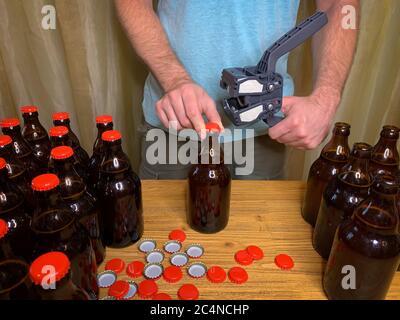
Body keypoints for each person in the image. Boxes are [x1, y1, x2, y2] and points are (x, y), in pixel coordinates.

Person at [115, 0, 359, 180]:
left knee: (259, 239)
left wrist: (326, 97)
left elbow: (342, 6)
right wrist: (175, 80)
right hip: (175, 126)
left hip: (264, 133)